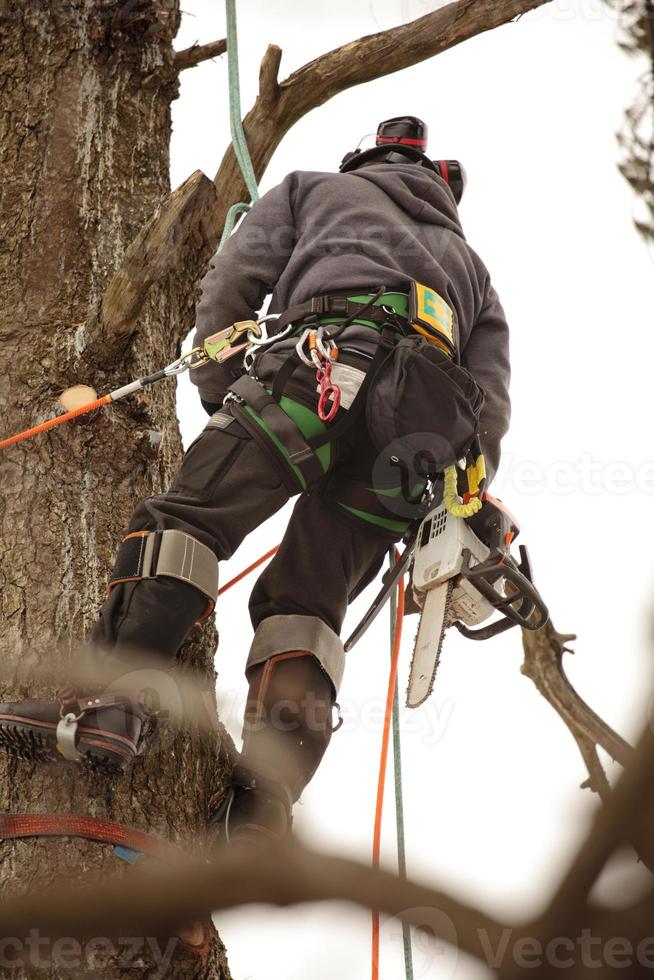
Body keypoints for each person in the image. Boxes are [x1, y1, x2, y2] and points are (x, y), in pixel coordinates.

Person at [0, 116, 510, 845]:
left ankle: (111, 707)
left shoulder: (315, 188)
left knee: (186, 523)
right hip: (419, 444)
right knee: (307, 608)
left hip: (317, 369)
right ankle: (262, 807)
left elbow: (233, 284)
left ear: (364, 160)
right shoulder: (472, 270)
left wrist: (220, 392)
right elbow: (488, 407)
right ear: (443, 190)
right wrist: (463, 503)